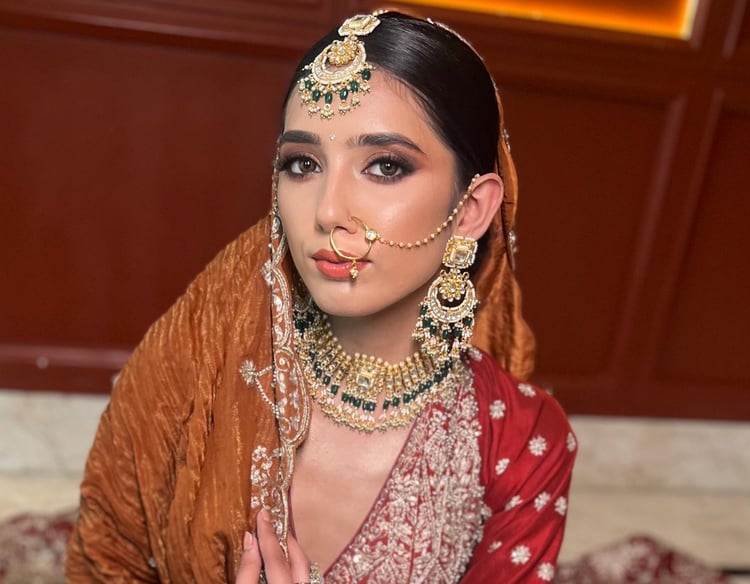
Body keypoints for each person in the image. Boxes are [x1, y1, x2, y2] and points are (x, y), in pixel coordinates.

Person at [65, 10, 577, 583]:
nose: (328, 210)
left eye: (385, 166)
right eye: (302, 164)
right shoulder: (201, 364)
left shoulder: (522, 438)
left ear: (471, 210)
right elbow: (108, 558)